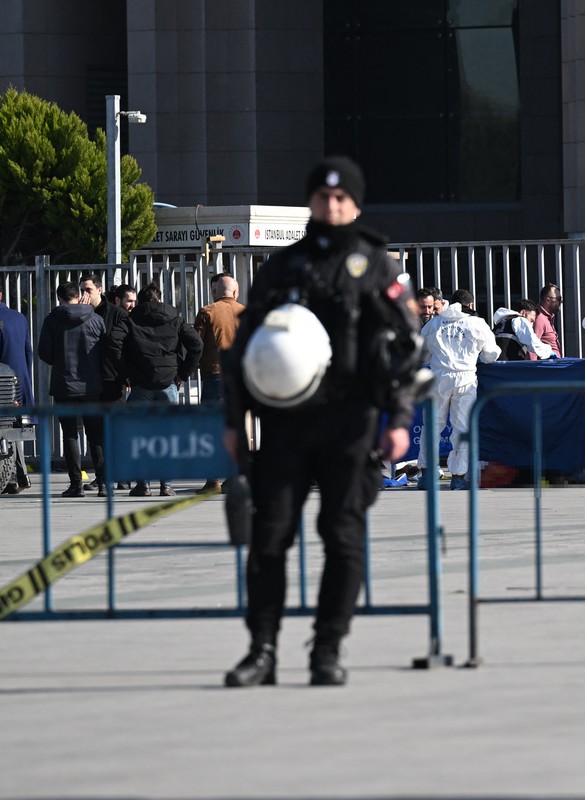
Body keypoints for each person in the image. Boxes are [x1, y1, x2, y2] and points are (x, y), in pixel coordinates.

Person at [221, 156, 429, 688]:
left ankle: (327, 648)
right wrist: (233, 419)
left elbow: (408, 351)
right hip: (285, 424)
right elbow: (242, 351)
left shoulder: (379, 265)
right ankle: (261, 650)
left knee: (342, 536)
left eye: (341, 199)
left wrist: (399, 418)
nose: (331, 207)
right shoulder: (283, 266)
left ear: (355, 204)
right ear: (310, 202)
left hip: (352, 423)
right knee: (269, 539)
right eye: (322, 198)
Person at [108, 283, 203, 496]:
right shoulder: (175, 318)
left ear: (141, 301)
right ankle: (166, 485)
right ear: (159, 299)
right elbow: (197, 345)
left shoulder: (131, 319)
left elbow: (114, 342)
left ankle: (143, 484)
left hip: (141, 385)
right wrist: (183, 374)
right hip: (168, 384)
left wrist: (126, 373)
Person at [420, 289, 501, 490]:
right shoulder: (477, 323)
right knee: (462, 428)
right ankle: (458, 476)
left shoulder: (434, 323)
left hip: (438, 377)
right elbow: (491, 354)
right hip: (465, 378)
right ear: (471, 305)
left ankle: (427, 474)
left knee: (431, 425)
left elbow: (421, 354)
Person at [37, 282, 106, 498]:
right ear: (78, 296)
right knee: (95, 435)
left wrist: (59, 361)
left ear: (60, 298)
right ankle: (103, 484)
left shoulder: (52, 320)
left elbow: (44, 353)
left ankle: (76, 484)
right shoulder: (96, 319)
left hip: (64, 385)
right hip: (92, 385)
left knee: (69, 435)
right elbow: (105, 351)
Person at [193, 273, 245, 493]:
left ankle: (213, 480)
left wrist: (189, 368)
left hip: (214, 376)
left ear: (215, 292)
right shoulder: (246, 313)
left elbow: (195, 344)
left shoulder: (207, 312)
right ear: (235, 292)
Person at [80, 274, 127, 490]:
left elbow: (125, 345)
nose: (84, 295)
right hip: (89, 381)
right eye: (81, 290)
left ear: (99, 290)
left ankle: (121, 475)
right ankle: (102, 477)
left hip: (113, 379)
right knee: (94, 432)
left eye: (88, 290)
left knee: (116, 430)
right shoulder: (81, 314)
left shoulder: (116, 314)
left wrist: (127, 374)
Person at [0, 288, 34, 494]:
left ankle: (16, 477)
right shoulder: (19, 318)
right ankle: (18, 476)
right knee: (12, 429)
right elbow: (28, 351)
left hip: (3, 381)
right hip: (18, 380)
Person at [535, 283, 563, 358]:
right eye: (558, 299)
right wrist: (531, 368)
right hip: (547, 366)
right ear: (548, 300)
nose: (561, 302)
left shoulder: (548, 317)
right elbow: (533, 346)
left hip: (553, 365)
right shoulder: (540, 318)